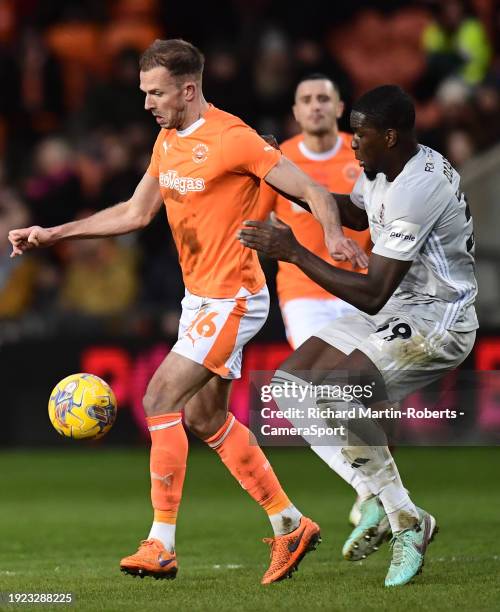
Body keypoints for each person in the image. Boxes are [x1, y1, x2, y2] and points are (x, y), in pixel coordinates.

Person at [8, 39, 366, 585]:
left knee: (158, 398)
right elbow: (135, 211)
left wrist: (336, 237)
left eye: (156, 93)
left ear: (188, 89)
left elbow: (314, 191)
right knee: (203, 418)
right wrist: (55, 233)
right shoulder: (167, 139)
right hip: (199, 297)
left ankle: (161, 543)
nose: (148, 103)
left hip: (234, 297)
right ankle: (289, 522)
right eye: (145, 92)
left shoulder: (233, 138)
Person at [239, 84, 477, 587]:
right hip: (401, 305)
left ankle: (405, 521)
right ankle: (390, 505)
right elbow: (354, 211)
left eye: (361, 134)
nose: (353, 144)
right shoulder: (386, 167)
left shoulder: (419, 186)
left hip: (440, 318)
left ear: (390, 135)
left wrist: (296, 252)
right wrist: (280, 176)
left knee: (338, 390)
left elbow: (371, 293)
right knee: (290, 386)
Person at [259, 74, 377, 530]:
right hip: (304, 292)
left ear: (340, 106)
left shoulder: (362, 153)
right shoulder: (279, 160)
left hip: (364, 290)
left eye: (323, 99)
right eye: (306, 99)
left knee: (347, 397)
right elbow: (257, 223)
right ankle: (368, 487)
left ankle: (377, 491)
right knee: (315, 389)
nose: (315, 107)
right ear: (295, 111)